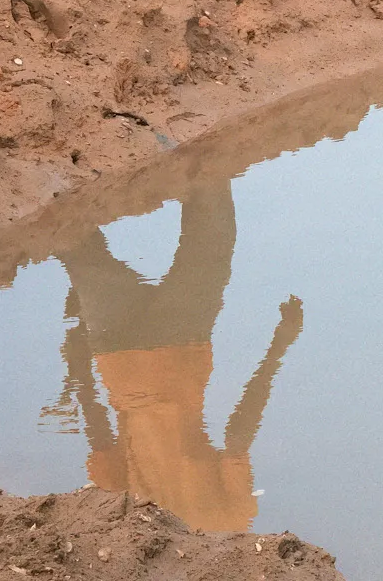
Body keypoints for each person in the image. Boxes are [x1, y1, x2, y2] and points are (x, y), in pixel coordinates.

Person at [56, 181, 303, 536]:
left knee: (213, 229)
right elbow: (100, 440)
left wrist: (279, 346)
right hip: (118, 360)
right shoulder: (133, 532)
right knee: (73, 236)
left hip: (180, 346)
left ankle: (192, 156)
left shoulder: (232, 520)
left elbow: (237, 435)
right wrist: (79, 355)